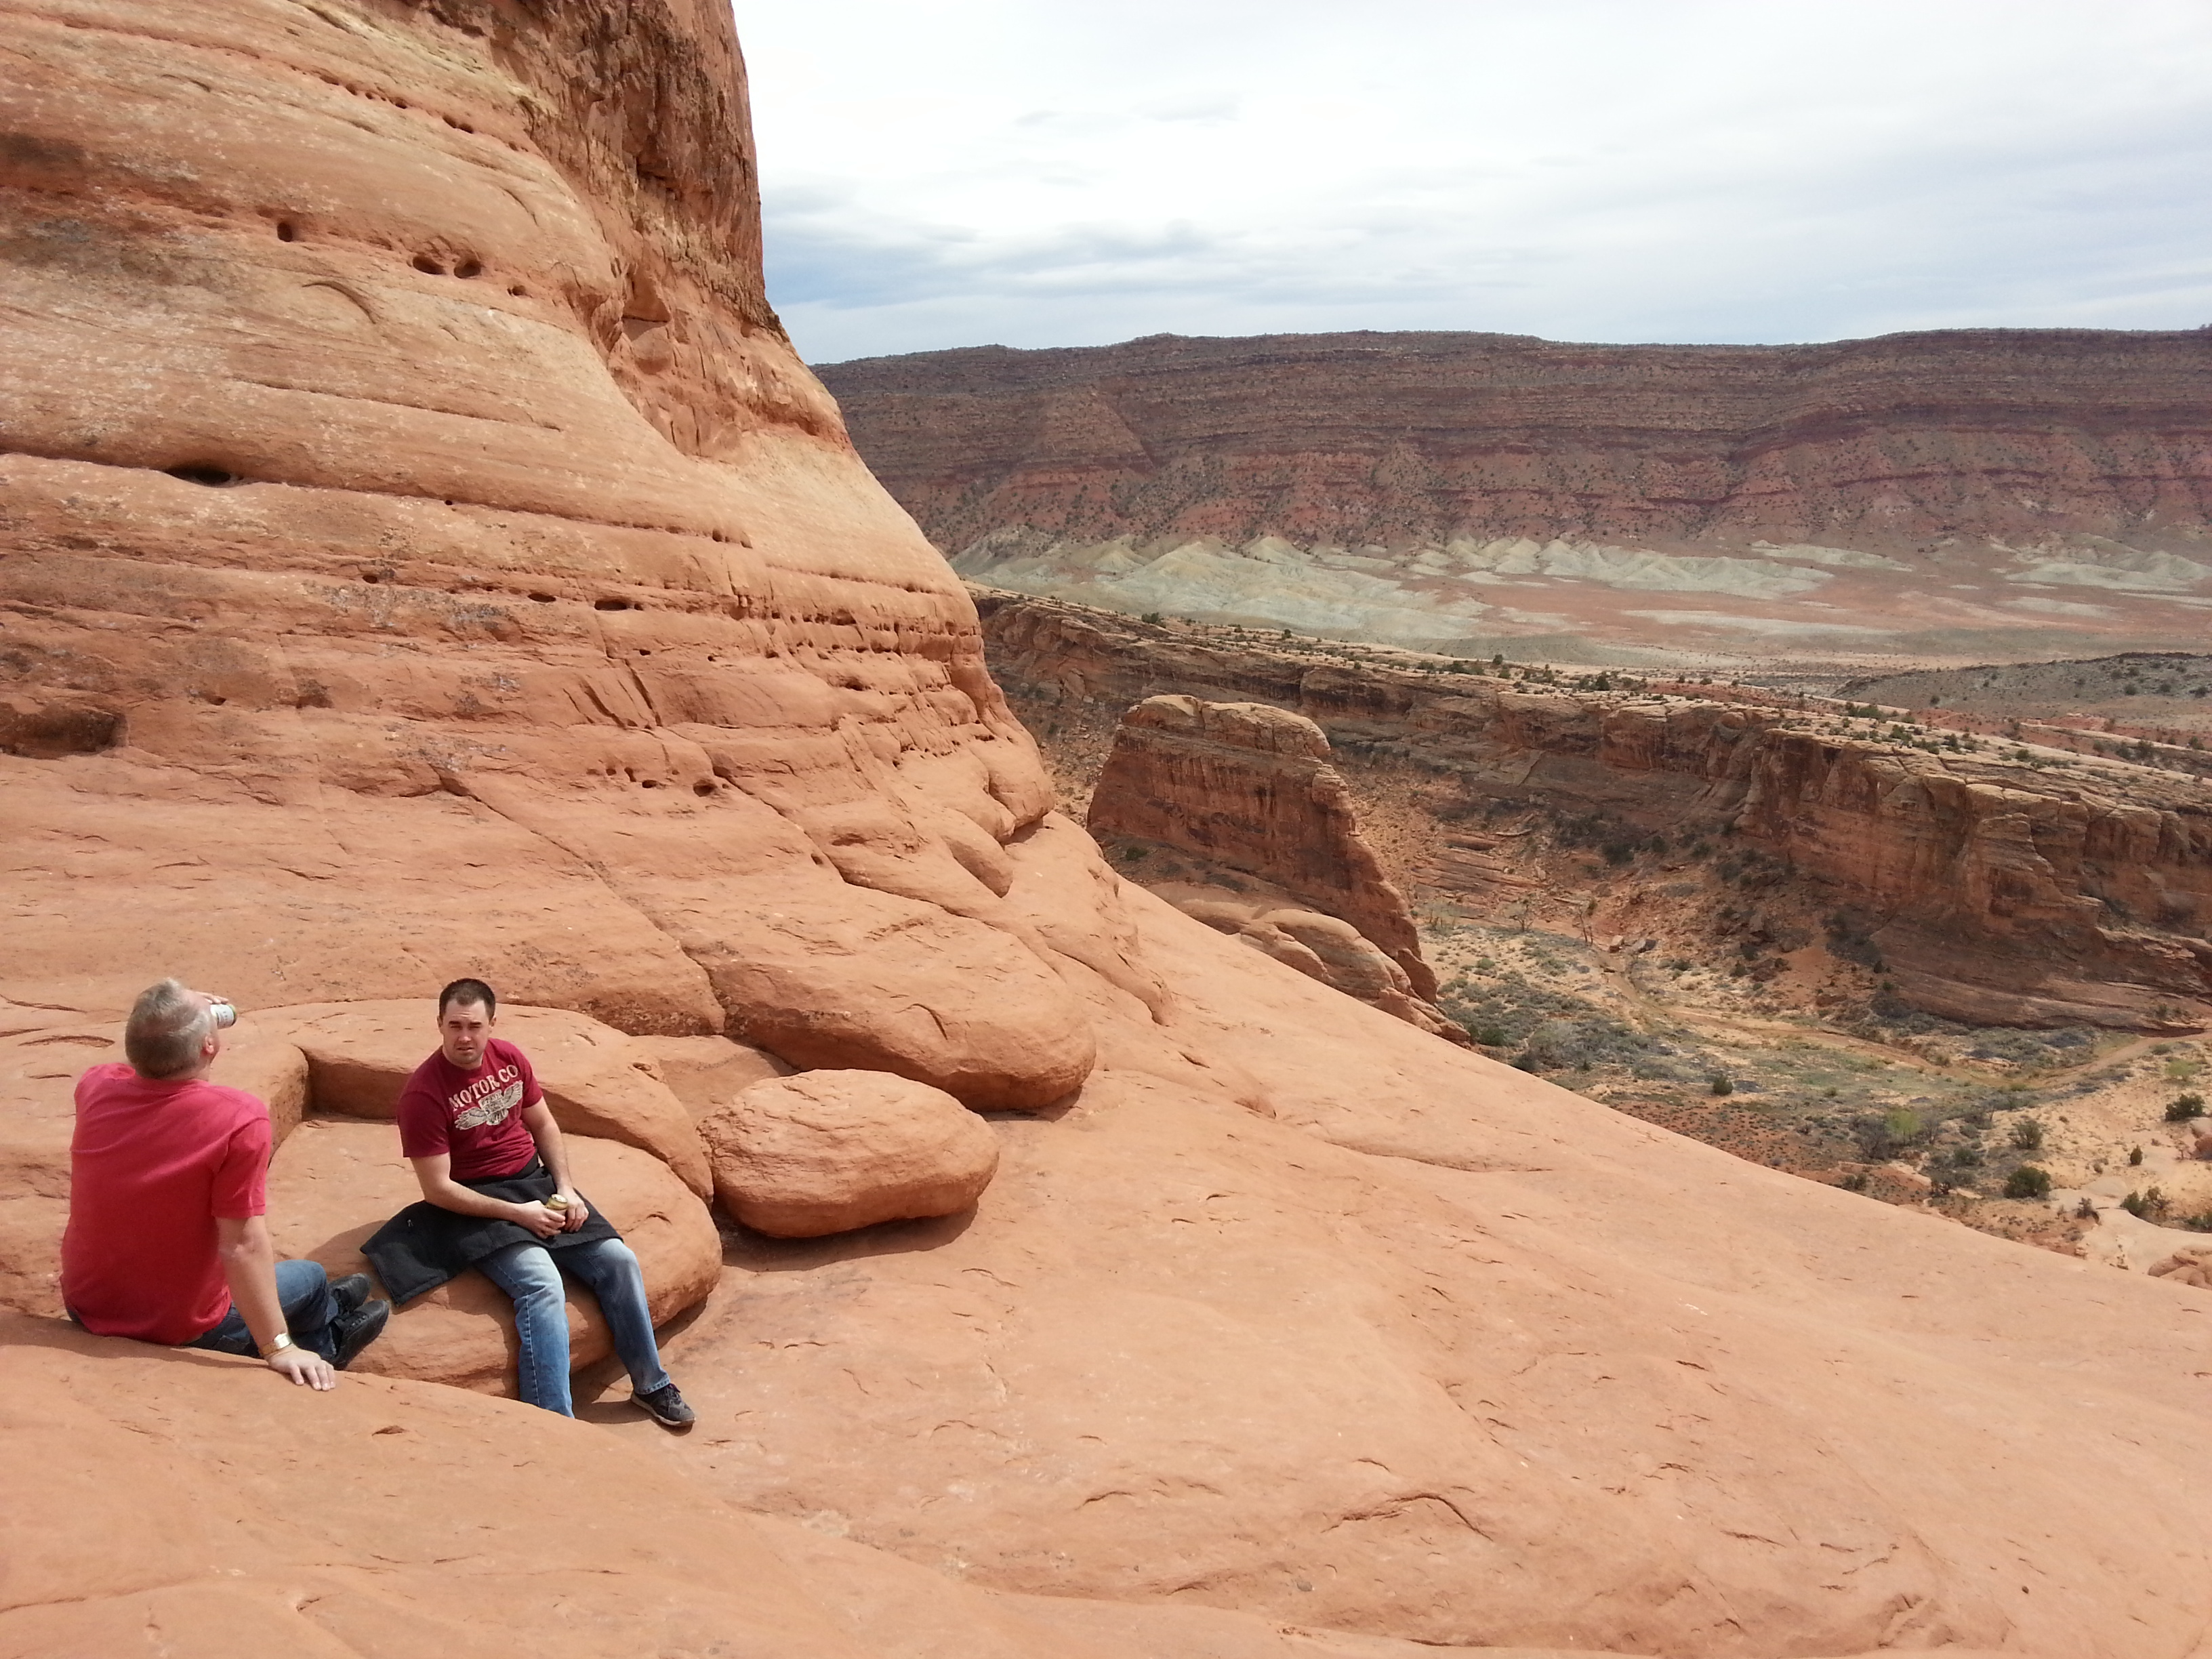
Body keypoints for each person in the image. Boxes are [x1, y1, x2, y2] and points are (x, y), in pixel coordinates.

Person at [363, 979, 693, 1428]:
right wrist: (520, 1215)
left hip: (532, 1182)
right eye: (455, 1026)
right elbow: (437, 1189)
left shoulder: (509, 1058)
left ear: (492, 1024)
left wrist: (567, 1189)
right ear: (439, 1024)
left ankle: (652, 1384)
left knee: (620, 1260)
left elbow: (544, 1126)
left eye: (474, 1026)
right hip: (475, 1203)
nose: (464, 1038)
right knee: (542, 1284)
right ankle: (554, 1421)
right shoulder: (423, 1095)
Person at [61, 979, 390, 1386]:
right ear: (209, 1045)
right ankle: (325, 1341)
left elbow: (143, 1061)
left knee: (299, 1282)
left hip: (88, 1304)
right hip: (182, 1325)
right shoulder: (238, 1119)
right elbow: (241, 1246)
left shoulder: (95, 1086)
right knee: (311, 1277)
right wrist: (278, 1348)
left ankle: (321, 1309)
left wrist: (176, 1016)